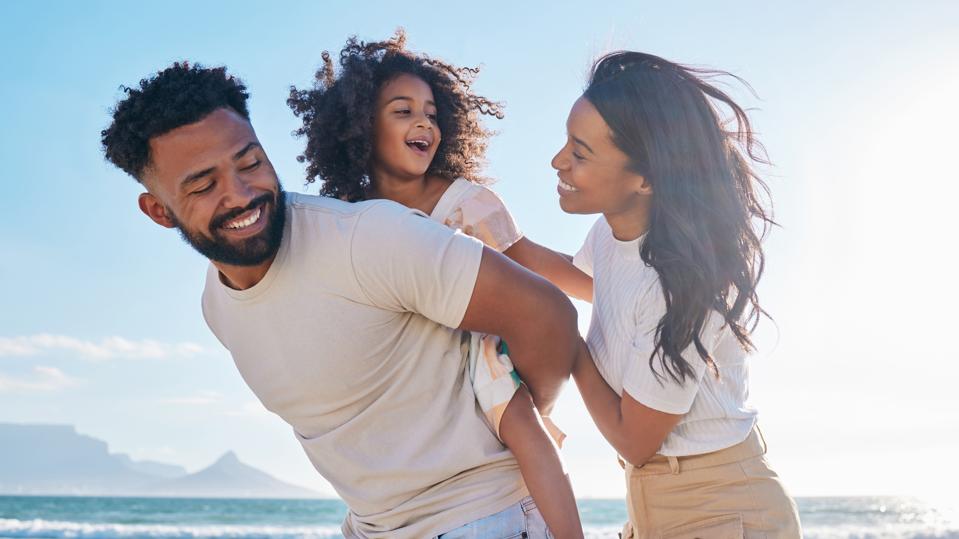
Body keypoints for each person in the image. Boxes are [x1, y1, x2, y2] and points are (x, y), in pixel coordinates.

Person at [101, 61, 580, 539]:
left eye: (250, 163)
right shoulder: (217, 307)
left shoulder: (367, 238)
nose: (241, 194)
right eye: (204, 185)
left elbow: (548, 314)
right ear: (159, 210)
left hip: (481, 518)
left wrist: (518, 414)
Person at [287, 31, 590, 538]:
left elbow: (529, 260)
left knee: (526, 434)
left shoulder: (464, 203)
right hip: (408, 371)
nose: (423, 121)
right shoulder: (355, 218)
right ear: (361, 126)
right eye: (402, 111)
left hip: (477, 351)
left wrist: (611, 285)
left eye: (429, 112)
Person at [552, 51, 802, 538]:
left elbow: (634, 440)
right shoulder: (613, 236)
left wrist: (563, 340)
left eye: (580, 153)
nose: (558, 161)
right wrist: (490, 235)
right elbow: (584, 281)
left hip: (719, 508)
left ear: (646, 178)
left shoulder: (681, 286)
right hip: (656, 504)